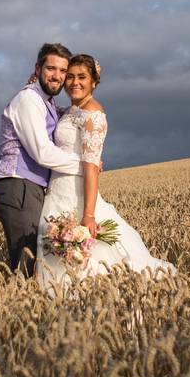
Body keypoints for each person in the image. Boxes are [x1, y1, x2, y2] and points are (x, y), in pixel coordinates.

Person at [35, 54, 175, 290]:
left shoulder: (93, 114)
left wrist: (88, 215)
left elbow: (91, 167)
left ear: (94, 82)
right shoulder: (72, 110)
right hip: (57, 193)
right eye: (70, 77)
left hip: (76, 197)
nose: (74, 82)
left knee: (87, 267)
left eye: (82, 77)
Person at [0, 43, 85, 276]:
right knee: (27, 262)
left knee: (35, 257)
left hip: (28, 186)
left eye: (63, 71)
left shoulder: (46, 102)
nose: (58, 76)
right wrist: (84, 165)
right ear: (38, 68)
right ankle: (18, 306)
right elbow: (41, 152)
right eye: (51, 69)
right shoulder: (29, 100)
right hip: (17, 184)